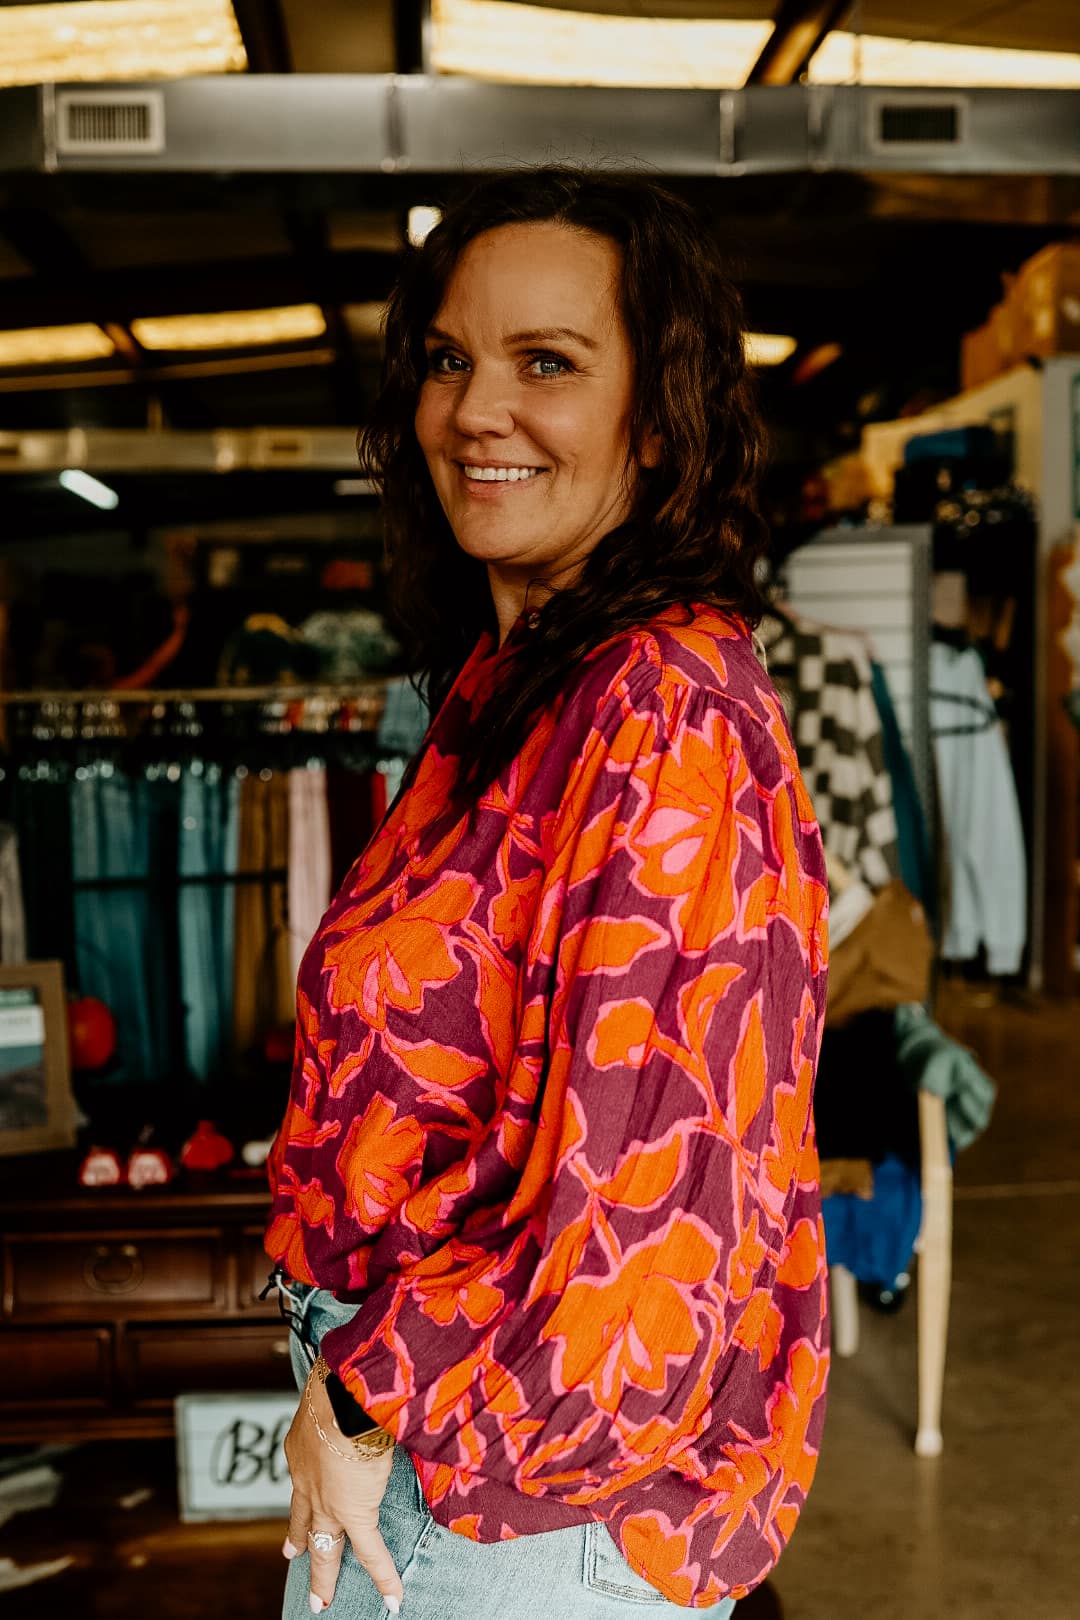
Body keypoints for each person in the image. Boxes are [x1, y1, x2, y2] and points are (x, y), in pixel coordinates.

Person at [266, 166, 830, 1620]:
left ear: (656, 420)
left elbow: (650, 1216)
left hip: (514, 1491)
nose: (474, 411)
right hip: (430, 1440)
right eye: (449, 360)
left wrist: (364, 1401)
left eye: (547, 364)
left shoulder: (668, 711)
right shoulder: (517, 686)